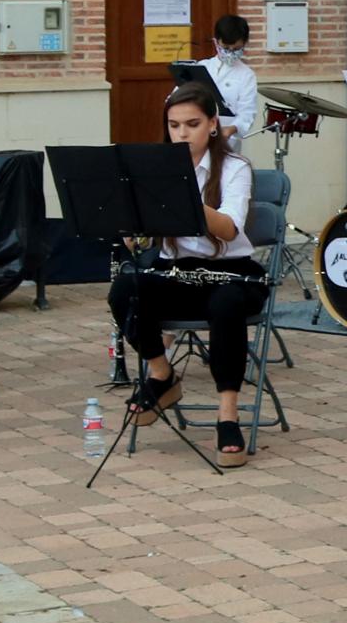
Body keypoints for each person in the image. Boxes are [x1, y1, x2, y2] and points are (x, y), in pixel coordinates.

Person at [105, 84, 264, 464]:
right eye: (174, 125)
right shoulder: (155, 169)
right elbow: (145, 240)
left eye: (192, 124)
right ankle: (162, 376)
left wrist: (180, 198)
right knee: (125, 289)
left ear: (211, 124)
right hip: (177, 271)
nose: (182, 134)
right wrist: (134, 227)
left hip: (233, 273)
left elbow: (228, 229)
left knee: (226, 305)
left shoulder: (235, 168)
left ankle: (228, 414)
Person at [201, 14, 260, 139]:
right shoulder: (201, 67)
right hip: (197, 135)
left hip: (227, 140)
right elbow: (175, 99)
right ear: (216, 41)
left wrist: (232, 129)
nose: (231, 52)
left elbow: (247, 112)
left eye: (236, 49)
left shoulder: (246, 75)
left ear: (244, 44)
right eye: (226, 48)